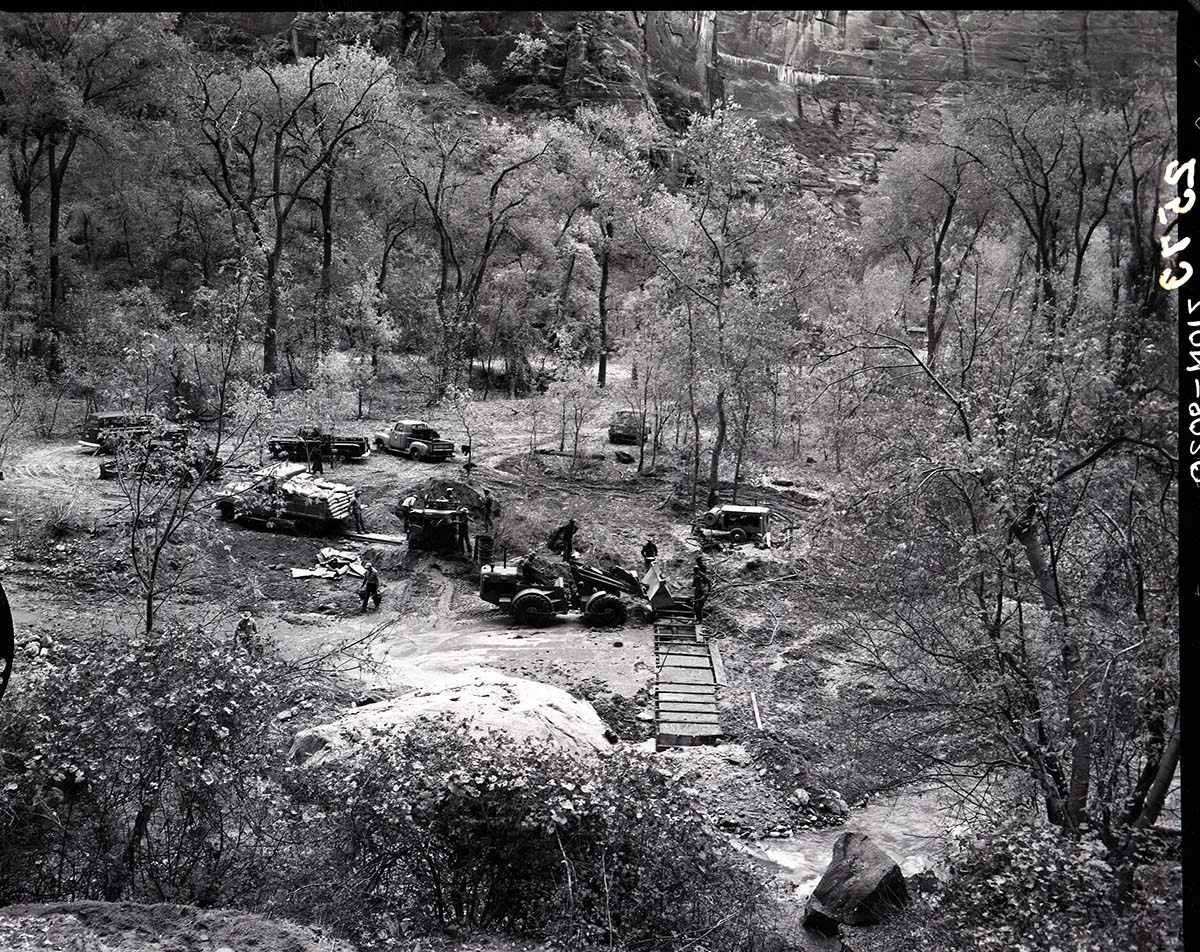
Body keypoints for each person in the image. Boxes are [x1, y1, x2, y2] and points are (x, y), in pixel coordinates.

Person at [692, 555, 711, 622]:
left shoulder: (701, 575)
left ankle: (700, 620)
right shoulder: (696, 576)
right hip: (697, 592)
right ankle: (697, 619)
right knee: (695, 607)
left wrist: (709, 591)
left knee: (699, 607)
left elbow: (708, 581)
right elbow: (695, 584)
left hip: (701, 592)